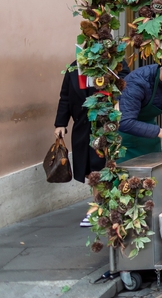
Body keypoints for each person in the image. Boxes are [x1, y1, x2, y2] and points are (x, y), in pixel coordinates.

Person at [55, 60, 130, 226]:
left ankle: (99, 209)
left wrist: (109, 78)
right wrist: (61, 123)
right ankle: (100, 205)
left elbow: (125, 84)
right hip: (82, 125)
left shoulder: (114, 62)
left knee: (102, 167)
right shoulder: (74, 67)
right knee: (89, 170)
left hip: (107, 125)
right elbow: (65, 96)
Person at [118, 60, 162, 161]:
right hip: (128, 143)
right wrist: (160, 132)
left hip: (151, 141)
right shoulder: (136, 83)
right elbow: (125, 122)